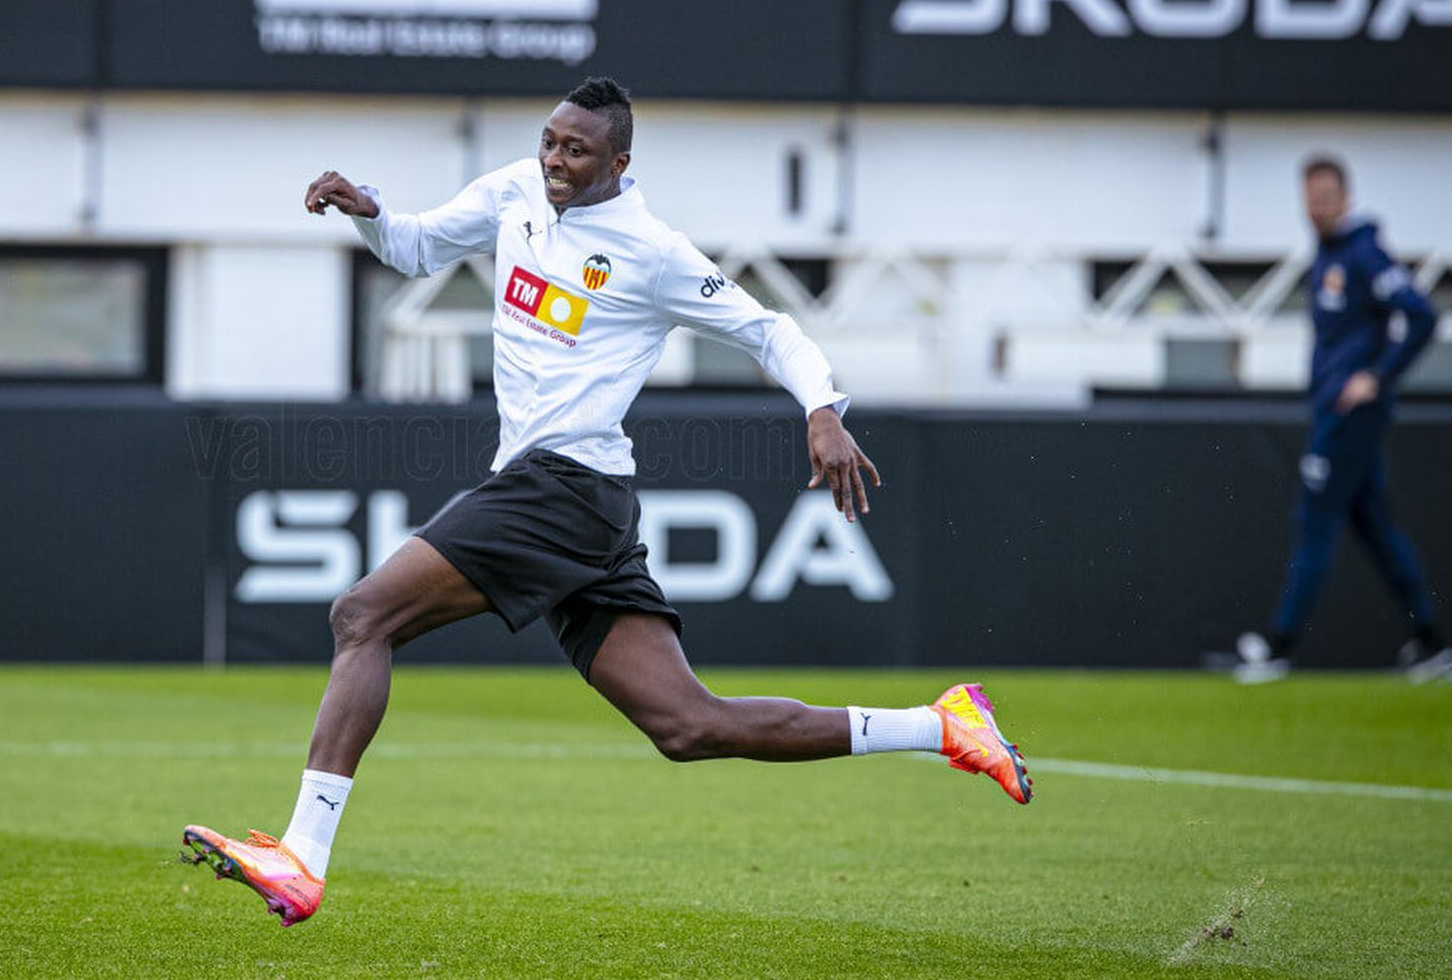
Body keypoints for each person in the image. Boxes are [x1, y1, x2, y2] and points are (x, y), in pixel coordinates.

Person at [182, 78, 1031, 926]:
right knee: (689, 726)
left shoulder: (651, 251)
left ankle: (303, 856)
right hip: (575, 502)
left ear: (618, 163)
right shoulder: (515, 190)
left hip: (562, 488)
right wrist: (368, 209)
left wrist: (823, 409)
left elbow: (768, 328)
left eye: (575, 150)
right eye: (550, 140)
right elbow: (414, 248)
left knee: (363, 615)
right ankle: (944, 725)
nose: (555, 158)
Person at [1236, 155, 1448, 684]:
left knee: (1314, 521)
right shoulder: (1326, 255)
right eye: (1311, 198)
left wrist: (1378, 375)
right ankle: (1430, 638)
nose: (1318, 207)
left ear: (1345, 199)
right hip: (1335, 410)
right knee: (1374, 526)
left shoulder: (1364, 252)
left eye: (1327, 197)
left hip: (1350, 417)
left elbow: (1422, 314)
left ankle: (1278, 644)